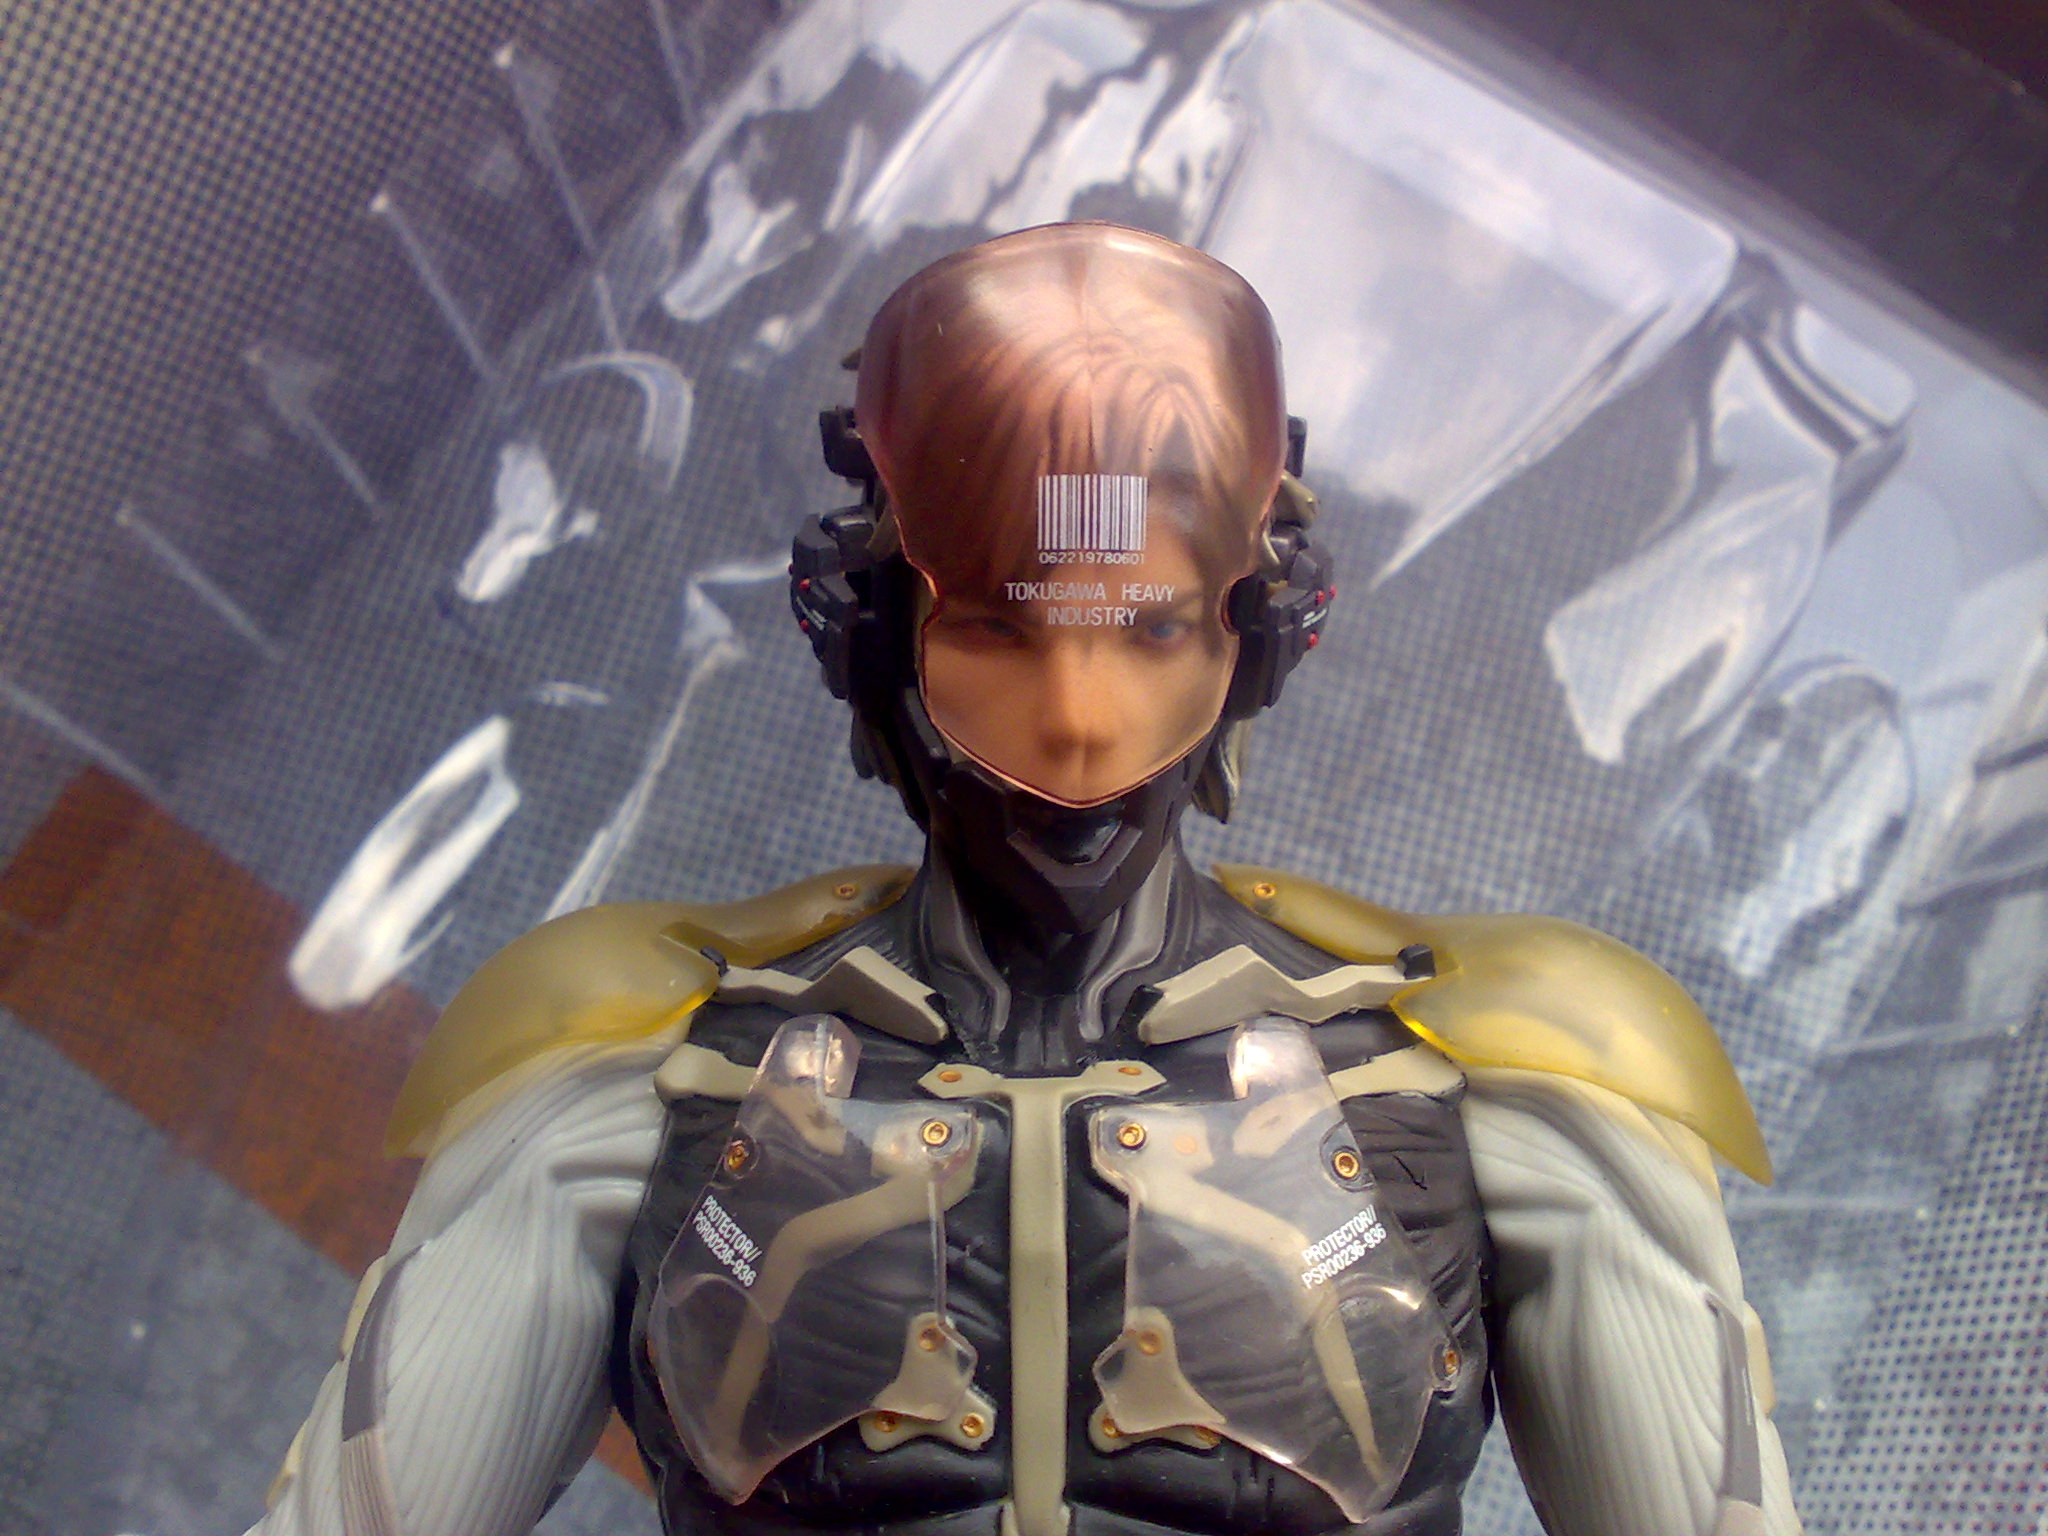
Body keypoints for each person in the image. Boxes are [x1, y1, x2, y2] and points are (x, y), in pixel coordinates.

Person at [248, 223, 1801, 1536]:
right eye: (999, 629)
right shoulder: (632, 1069)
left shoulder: (1505, 1084)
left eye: (1149, 629)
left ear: (1255, 636)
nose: (1075, 725)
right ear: (871, 636)